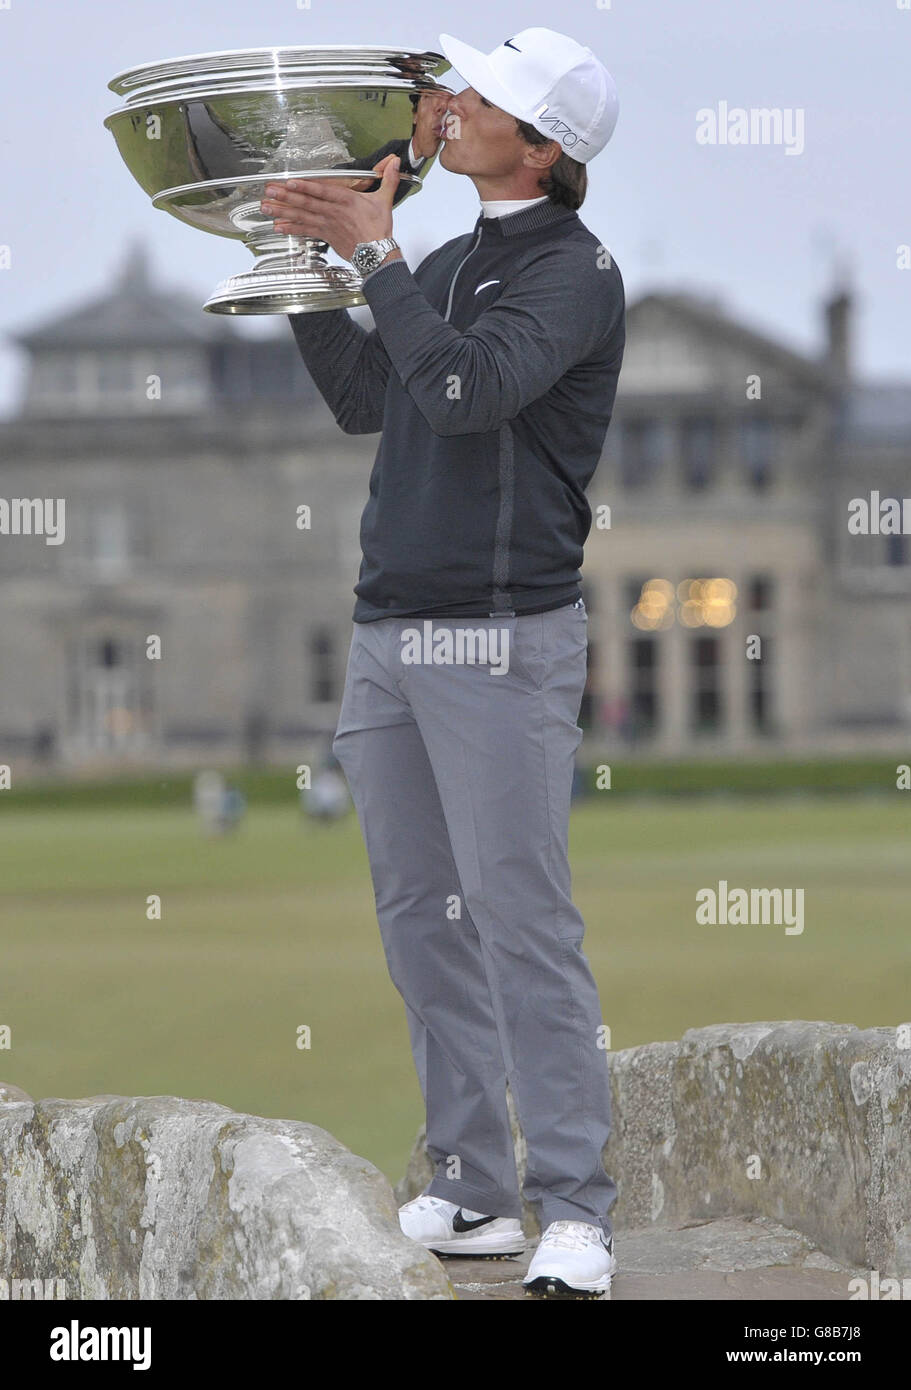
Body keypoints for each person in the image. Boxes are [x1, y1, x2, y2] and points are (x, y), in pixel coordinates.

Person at [261, 27, 625, 1299]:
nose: (450, 103)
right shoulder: (454, 256)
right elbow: (374, 395)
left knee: (520, 921)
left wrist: (376, 252)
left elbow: (466, 392)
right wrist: (313, 260)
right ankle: (471, 1189)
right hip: (387, 630)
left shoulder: (575, 277)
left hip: (500, 634)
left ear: (542, 147)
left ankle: (574, 1205)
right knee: (424, 920)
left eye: (485, 98)